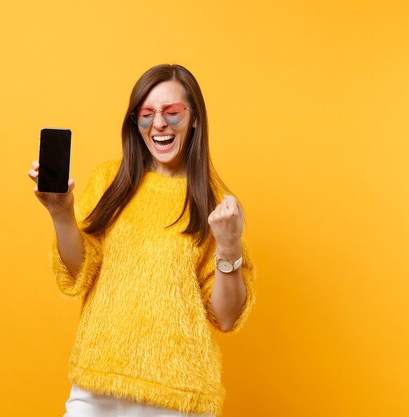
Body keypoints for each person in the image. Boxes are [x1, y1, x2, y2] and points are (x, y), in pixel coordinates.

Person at [27, 64, 256, 417]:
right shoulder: (110, 181)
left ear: (194, 118)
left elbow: (225, 317)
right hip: (96, 384)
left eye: (172, 113)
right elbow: (79, 271)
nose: (159, 124)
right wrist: (61, 213)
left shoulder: (215, 203)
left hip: (177, 396)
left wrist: (229, 247)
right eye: (146, 114)